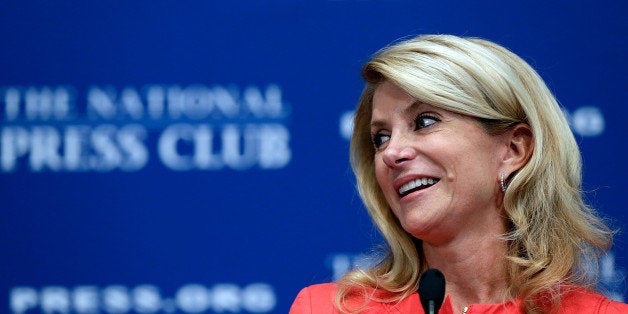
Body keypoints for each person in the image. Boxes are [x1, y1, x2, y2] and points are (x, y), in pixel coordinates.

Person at [290, 34, 628, 313]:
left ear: (514, 150)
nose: (391, 153)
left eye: (424, 121)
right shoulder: (327, 308)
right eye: (381, 137)